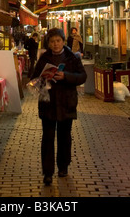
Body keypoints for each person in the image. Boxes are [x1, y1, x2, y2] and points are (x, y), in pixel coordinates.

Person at [31, 28, 87, 186]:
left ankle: (63, 167)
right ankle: (47, 172)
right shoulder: (44, 58)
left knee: (64, 137)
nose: (55, 44)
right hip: (48, 103)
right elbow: (34, 78)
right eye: (52, 41)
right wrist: (44, 78)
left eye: (58, 41)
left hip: (66, 103)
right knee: (47, 139)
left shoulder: (72, 57)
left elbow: (82, 76)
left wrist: (66, 76)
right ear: (48, 43)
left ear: (63, 41)